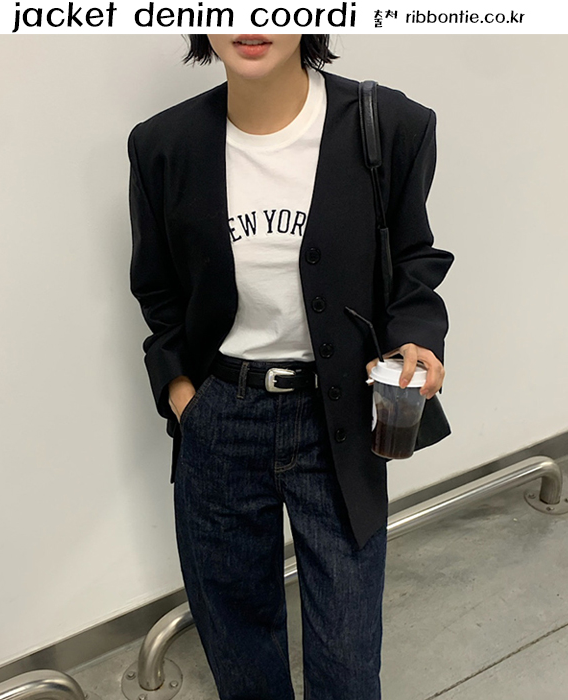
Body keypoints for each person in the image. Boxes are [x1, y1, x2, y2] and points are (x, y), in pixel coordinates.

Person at [127, 34, 454, 700]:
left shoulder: (388, 124)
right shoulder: (163, 144)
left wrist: (416, 338)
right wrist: (183, 393)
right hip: (220, 415)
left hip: (336, 418)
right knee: (238, 642)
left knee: (347, 656)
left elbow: (412, 258)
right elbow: (157, 287)